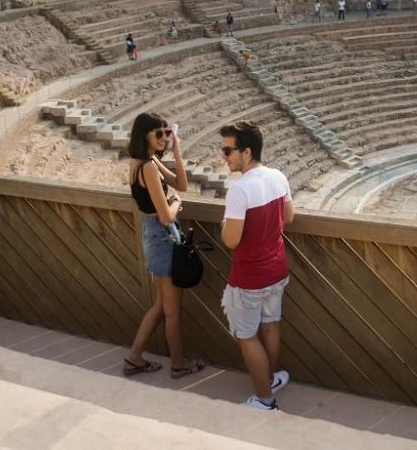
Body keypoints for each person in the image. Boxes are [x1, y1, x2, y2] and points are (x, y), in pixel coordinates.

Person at [219, 121, 294, 411]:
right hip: (277, 270)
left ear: (246, 152)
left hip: (249, 277)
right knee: (271, 327)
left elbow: (231, 239)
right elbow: (288, 217)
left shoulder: (239, 190)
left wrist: (226, 222)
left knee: (246, 336)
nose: (224, 157)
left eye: (228, 151)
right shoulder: (277, 176)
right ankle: (270, 378)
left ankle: (264, 399)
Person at [124, 113, 206, 380]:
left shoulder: (144, 161)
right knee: (172, 312)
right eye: (158, 133)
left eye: (166, 132)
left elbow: (181, 183)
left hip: (155, 236)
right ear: (144, 135)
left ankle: (134, 358)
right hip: (162, 236)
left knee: (160, 306)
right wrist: (176, 203)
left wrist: (177, 150)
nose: (164, 137)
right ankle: (179, 364)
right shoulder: (147, 166)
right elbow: (166, 215)